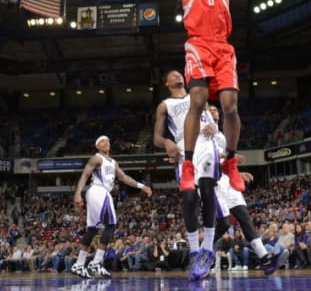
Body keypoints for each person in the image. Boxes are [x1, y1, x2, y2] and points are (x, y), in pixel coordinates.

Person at [178, 0, 243, 198]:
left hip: (222, 48)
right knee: (198, 102)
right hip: (199, 47)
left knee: (229, 107)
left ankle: (230, 160)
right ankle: (188, 165)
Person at [152, 70, 221, 280]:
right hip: (184, 147)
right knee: (190, 198)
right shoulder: (165, 105)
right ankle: (194, 251)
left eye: (178, 73)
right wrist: (166, 142)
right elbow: (156, 137)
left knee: (208, 192)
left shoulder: (196, 93)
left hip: (206, 142)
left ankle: (207, 249)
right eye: (172, 75)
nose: (177, 76)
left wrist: (214, 125)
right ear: (167, 83)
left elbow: (212, 120)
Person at [208, 104, 279, 274]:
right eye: (209, 110)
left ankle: (265, 259)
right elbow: (208, 155)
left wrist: (237, 174)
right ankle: (204, 249)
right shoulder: (201, 133)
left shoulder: (222, 137)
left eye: (215, 110)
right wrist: (228, 155)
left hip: (226, 180)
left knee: (244, 218)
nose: (213, 111)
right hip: (212, 182)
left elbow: (227, 164)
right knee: (224, 223)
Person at [71, 135, 152, 279]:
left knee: (92, 229)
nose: (106, 142)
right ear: (97, 146)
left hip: (98, 193)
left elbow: (124, 178)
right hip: (99, 190)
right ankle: (96, 262)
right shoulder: (96, 158)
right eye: (102, 141)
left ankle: (79, 264)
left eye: (108, 140)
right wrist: (78, 193)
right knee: (111, 224)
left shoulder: (113, 162)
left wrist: (142, 185)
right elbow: (84, 175)